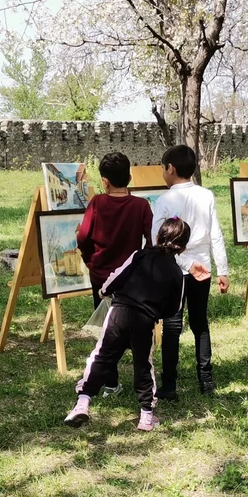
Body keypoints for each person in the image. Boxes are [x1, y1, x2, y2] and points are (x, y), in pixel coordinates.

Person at [64, 218, 190, 432]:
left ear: (157, 237)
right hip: (146, 320)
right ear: (184, 247)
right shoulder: (177, 273)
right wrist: (155, 312)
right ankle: (146, 416)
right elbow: (174, 308)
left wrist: (103, 291)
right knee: (143, 364)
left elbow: (116, 277)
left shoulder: (140, 255)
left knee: (102, 356)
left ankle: (82, 403)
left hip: (119, 312)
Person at [150, 144, 229, 398]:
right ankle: (205, 380)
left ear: (170, 169)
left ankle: (170, 385)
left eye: (163, 169)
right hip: (203, 269)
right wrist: (222, 270)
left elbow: (157, 240)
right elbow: (216, 234)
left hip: (174, 271)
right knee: (199, 323)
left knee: (172, 325)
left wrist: (182, 263)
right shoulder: (206, 195)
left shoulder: (164, 200)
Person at [75, 151, 153, 395]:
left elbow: (83, 237)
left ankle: (110, 383)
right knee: (134, 328)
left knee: (105, 329)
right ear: (129, 177)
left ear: (104, 181)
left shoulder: (97, 203)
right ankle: (142, 381)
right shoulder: (141, 205)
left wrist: (90, 261)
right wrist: (140, 266)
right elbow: (151, 240)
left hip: (101, 277)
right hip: (130, 279)